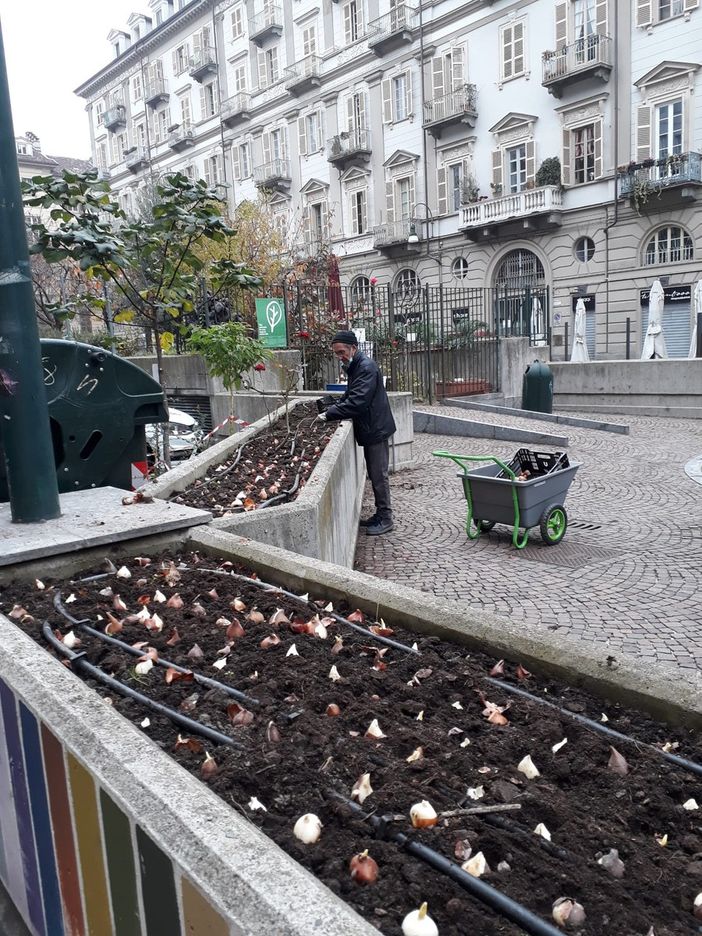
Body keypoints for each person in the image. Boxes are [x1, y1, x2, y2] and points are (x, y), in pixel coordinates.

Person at [317, 330, 396, 536]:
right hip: (372, 426)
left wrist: (329, 414)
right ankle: (380, 514)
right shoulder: (356, 365)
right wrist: (335, 405)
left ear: (353, 348)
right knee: (375, 473)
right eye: (336, 353)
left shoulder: (365, 367)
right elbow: (351, 394)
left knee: (379, 475)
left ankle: (386, 518)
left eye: (341, 352)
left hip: (375, 428)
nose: (339, 356)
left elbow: (358, 401)